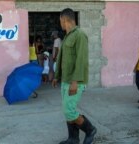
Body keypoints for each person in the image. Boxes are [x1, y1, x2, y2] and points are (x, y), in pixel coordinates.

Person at [52, 8, 96, 144]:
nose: (60, 23)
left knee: (69, 111)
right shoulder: (67, 36)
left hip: (75, 81)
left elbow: (81, 60)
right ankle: (73, 138)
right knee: (68, 110)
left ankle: (90, 130)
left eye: (60, 20)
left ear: (64, 19)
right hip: (65, 80)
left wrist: (75, 81)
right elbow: (61, 58)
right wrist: (56, 76)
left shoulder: (79, 35)